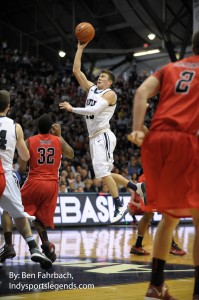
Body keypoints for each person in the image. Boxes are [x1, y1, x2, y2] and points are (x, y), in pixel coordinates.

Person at [128, 31, 199, 300]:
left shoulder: (170, 67)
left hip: (155, 141)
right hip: (184, 141)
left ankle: (156, 286)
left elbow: (141, 92)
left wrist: (136, 129)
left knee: (168, 217)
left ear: (192, 47)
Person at [59, 41, 145, 224]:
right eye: (99, 76)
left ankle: (118, 205)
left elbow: (93, 110)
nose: (100, 78)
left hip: (103, 135)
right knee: (102, 173)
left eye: (104, 77)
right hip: (94, 137)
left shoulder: (110, 94)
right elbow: (77, 71)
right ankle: (136, 187)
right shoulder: (91, 89)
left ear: (110, 82)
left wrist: (72, 108)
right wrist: (80, 49)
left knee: (103, 173)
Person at [1, 114, 74, 264]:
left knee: (9, 209)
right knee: (39, 218)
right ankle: (46, 245)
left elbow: (22, 166)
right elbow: (71, 154)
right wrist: (60, 136)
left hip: (35, 181)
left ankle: (8, 245)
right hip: (53, 185)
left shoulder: (30, 141)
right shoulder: (58, 141)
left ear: (37, 127)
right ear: (51, 128)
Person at [0, 90, 52, 269]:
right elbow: (25, 155)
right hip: (5, 175)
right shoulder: (15, 127)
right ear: (8, 107)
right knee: (19, 214)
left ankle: (9, 246)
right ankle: (34, 248)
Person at [128, 176, 186, 256]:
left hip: (149, 179)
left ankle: (137, 246)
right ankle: (171, 245)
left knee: (149, 214)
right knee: (165, 212)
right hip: (152, 179)